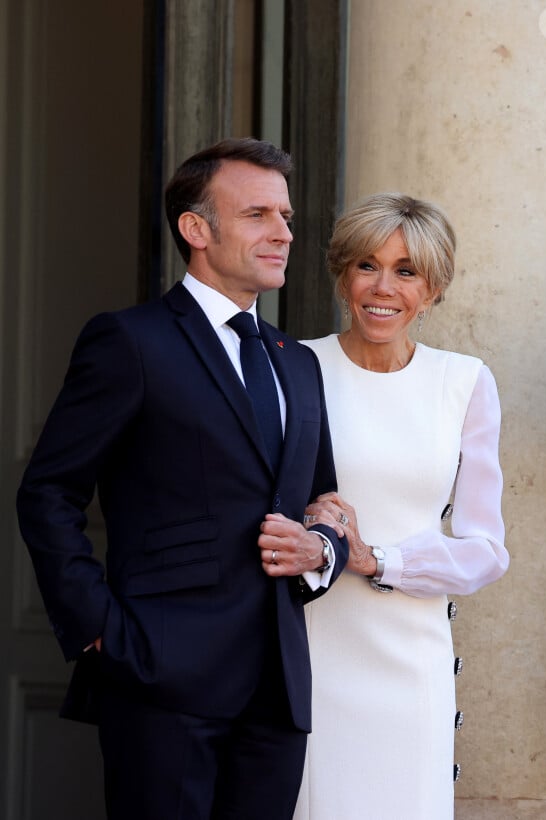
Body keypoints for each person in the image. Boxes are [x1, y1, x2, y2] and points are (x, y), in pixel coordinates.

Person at [16, 137, 349, 820]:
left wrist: (324, 553)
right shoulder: (130, 341)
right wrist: (102, 630)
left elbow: (325, 504)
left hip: (278, 690)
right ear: (197, 229)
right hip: (161, 677)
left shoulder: (297, 362)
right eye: (258, 214)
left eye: (286, 216)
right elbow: (47, 492)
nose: (283, 232)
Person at [293, 192, 510, 820]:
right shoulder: (296, 367)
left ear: (433, 287)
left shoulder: (464, 382)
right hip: (311, 651)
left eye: (406, 271)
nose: (382, 287)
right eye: (366, 265)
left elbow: (485, 551)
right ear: (341, 275)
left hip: (412, 661)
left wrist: (375, 558)